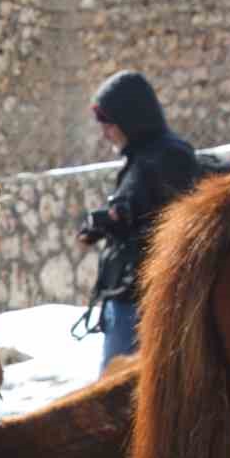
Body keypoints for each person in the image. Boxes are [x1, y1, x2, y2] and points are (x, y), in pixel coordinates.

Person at [75, 70, 199, 370]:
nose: (105, 132)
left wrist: (116, 221)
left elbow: (166, 223)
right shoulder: (146, 158)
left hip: (142, 303)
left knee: (119, 400)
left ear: (129, 118)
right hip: (132, 299)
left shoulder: (166, 158)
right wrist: (107, 223)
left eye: (109, 123)